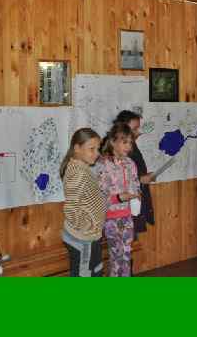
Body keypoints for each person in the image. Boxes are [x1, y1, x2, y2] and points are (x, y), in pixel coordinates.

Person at [60, 128, 107, 277]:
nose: (97, 153)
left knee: (95, 272)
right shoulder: (77, 172)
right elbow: (71, 208)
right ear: (77, 148)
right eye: (91, 149)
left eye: (97, 149)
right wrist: (87, 226)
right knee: (84, 275)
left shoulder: (82, 167)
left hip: (90, 236)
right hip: (83, 238)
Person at [95, 123, 141, 277]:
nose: (129, 146)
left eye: (130, 142)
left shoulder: (130, 164)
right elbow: (99, 198)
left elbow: (135, 184)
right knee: (117, 257)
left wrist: (137, 194)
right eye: (124, 142)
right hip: (110, 219)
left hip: (127, 216)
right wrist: (119, 198)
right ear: (113, 142)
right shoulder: (103, 164)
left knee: (126, 256)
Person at [113, 110, 155, 240]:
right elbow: (116, 179)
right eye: (135, 129)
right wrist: (141, 179)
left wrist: (143, 177)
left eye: (138, 128)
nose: (138, 132)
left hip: (132, 206)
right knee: (122, 244)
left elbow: (133, 172)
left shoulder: (131, 147)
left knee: (130, 244)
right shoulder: (115, 152)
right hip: (119, 211)